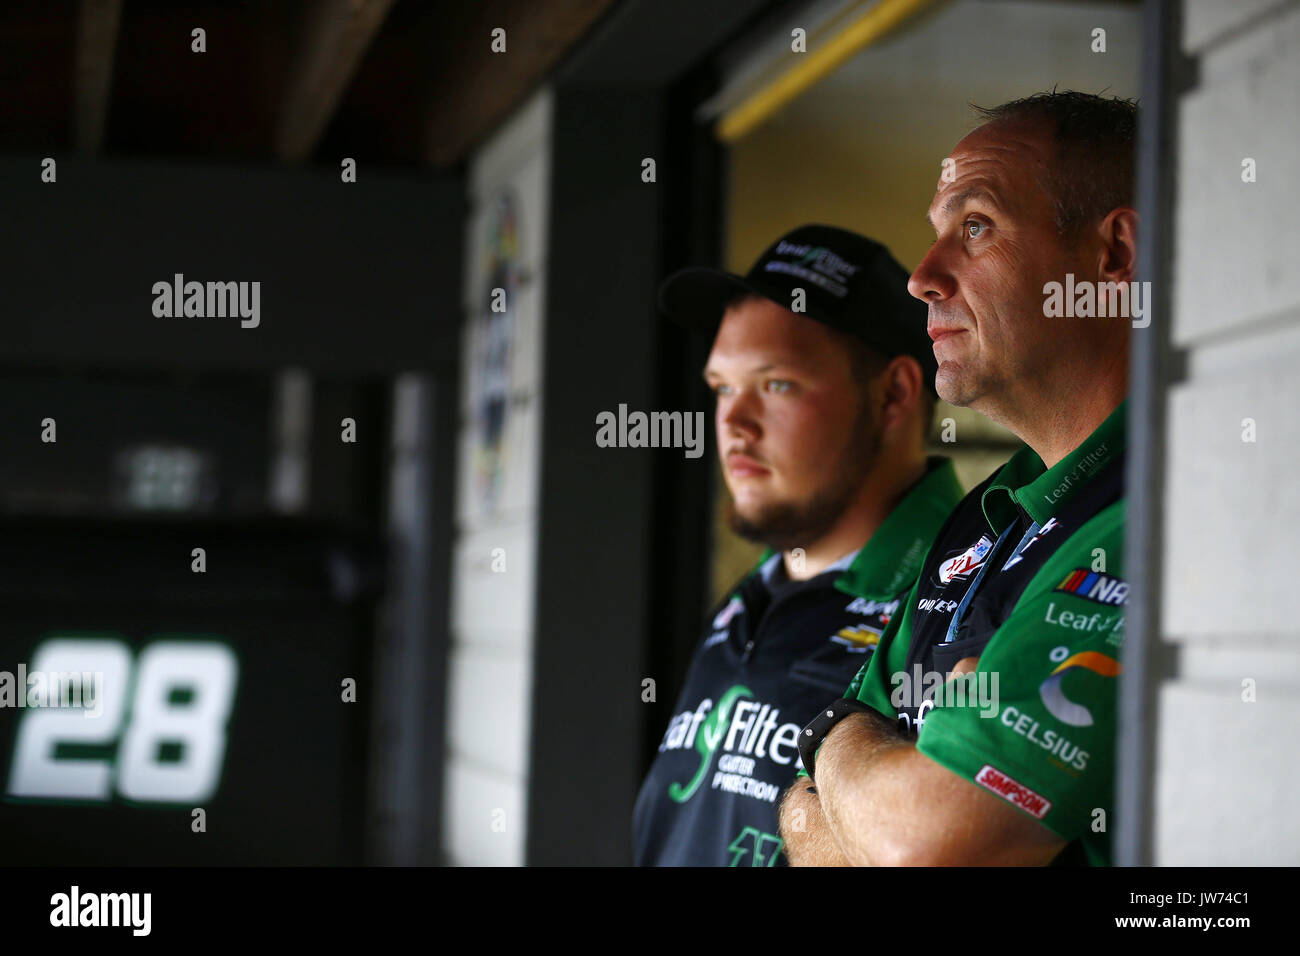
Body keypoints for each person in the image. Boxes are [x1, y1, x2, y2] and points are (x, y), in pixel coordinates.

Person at [780, 91, 1137, 866]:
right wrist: (869, 754)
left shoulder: (1158, 512)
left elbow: (928, 847)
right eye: (935, 231)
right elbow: (806, 831)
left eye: (975, 227)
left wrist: (836, 735)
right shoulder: (988, 513)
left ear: (1112, 257)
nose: (922, 277)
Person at [633, 224, 964, 866]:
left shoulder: (960, 601)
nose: (732, 424)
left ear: (894, 394)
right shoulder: (755, 596)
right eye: (723, 387)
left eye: (776, 384)